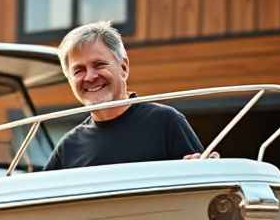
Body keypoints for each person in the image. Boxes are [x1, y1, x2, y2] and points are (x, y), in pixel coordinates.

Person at [44, 21, 216, 171]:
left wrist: (208, 170)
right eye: (79, 70)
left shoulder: (166, 122)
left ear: (124, 68)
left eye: (99, 64)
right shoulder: (68, 147)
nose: (90, 76)